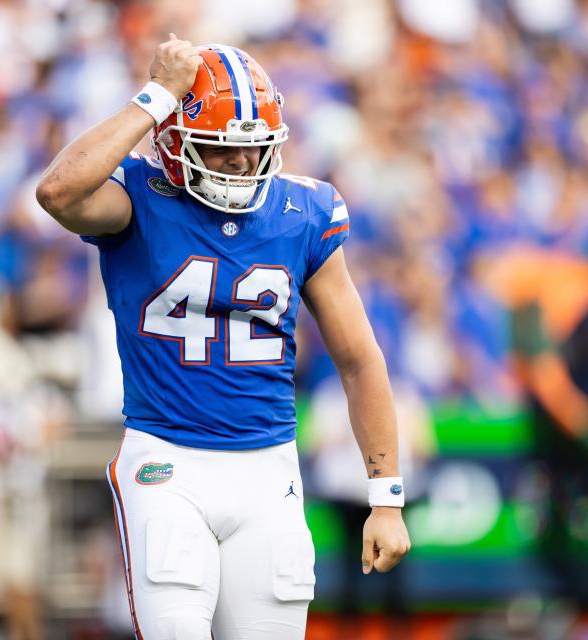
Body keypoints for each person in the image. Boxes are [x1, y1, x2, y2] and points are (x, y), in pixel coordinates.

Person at [36, 35, 411, 639]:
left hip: (269, 469)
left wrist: (386, 497)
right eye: (221, 150)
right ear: (173, 140)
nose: (239, 164)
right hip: (168, 463)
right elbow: (58, 191)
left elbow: (360, 360)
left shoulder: (304, 211)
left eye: (250, 148)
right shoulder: (139, 197)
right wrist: (156, 95)